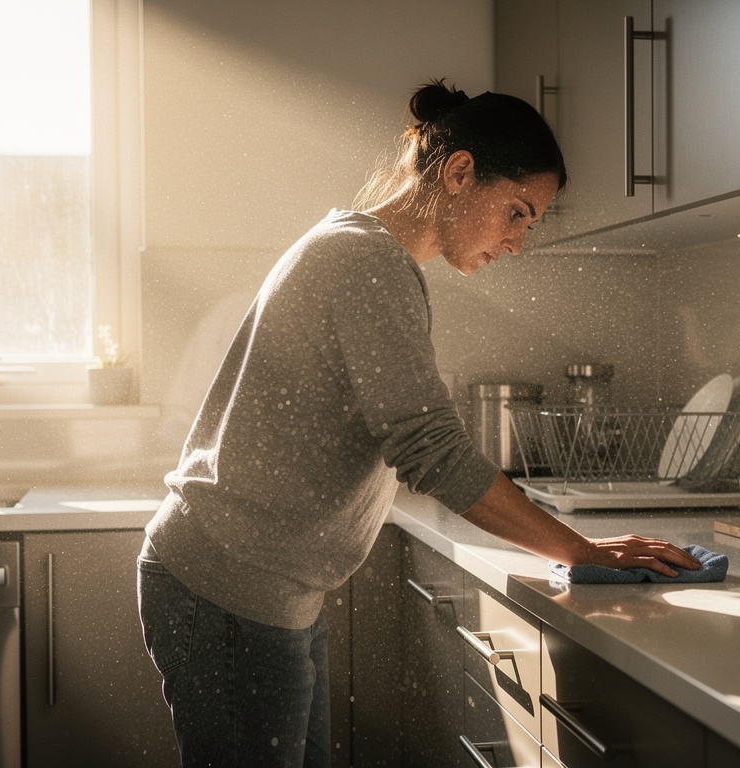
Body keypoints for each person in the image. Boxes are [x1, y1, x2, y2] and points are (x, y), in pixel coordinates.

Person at [137, 79, 701, 768]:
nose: (518, 242)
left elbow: (414, 436)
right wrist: (580, 550)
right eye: (517, 213)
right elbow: (430, 448)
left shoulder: (365, 252)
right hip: (230, 590)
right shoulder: (365, 260)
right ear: (460, 172)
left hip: (257, 589)